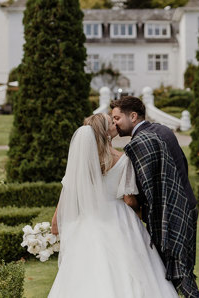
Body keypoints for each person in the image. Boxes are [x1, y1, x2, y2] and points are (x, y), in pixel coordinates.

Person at [48, 113, 178, 298]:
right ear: (105, 133)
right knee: (132, 268)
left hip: (90, 219)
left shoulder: (82, 160)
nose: (115, 124)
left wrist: (55, 222)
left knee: (87, 272)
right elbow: (129, 199)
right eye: (111, 123)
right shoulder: (123, 158)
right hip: (120, 218)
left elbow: (68, 192)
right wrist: (142, 213)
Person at [110, 96, 199, 298]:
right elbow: (181, 167)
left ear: (133, 116)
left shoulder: (142, 142)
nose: (115, 123)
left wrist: (141, 210)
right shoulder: (162, 130)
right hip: (187, 204)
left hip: (170, 214)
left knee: (178, 273)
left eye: (117, 118)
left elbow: (148, 186)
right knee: (184, 269)